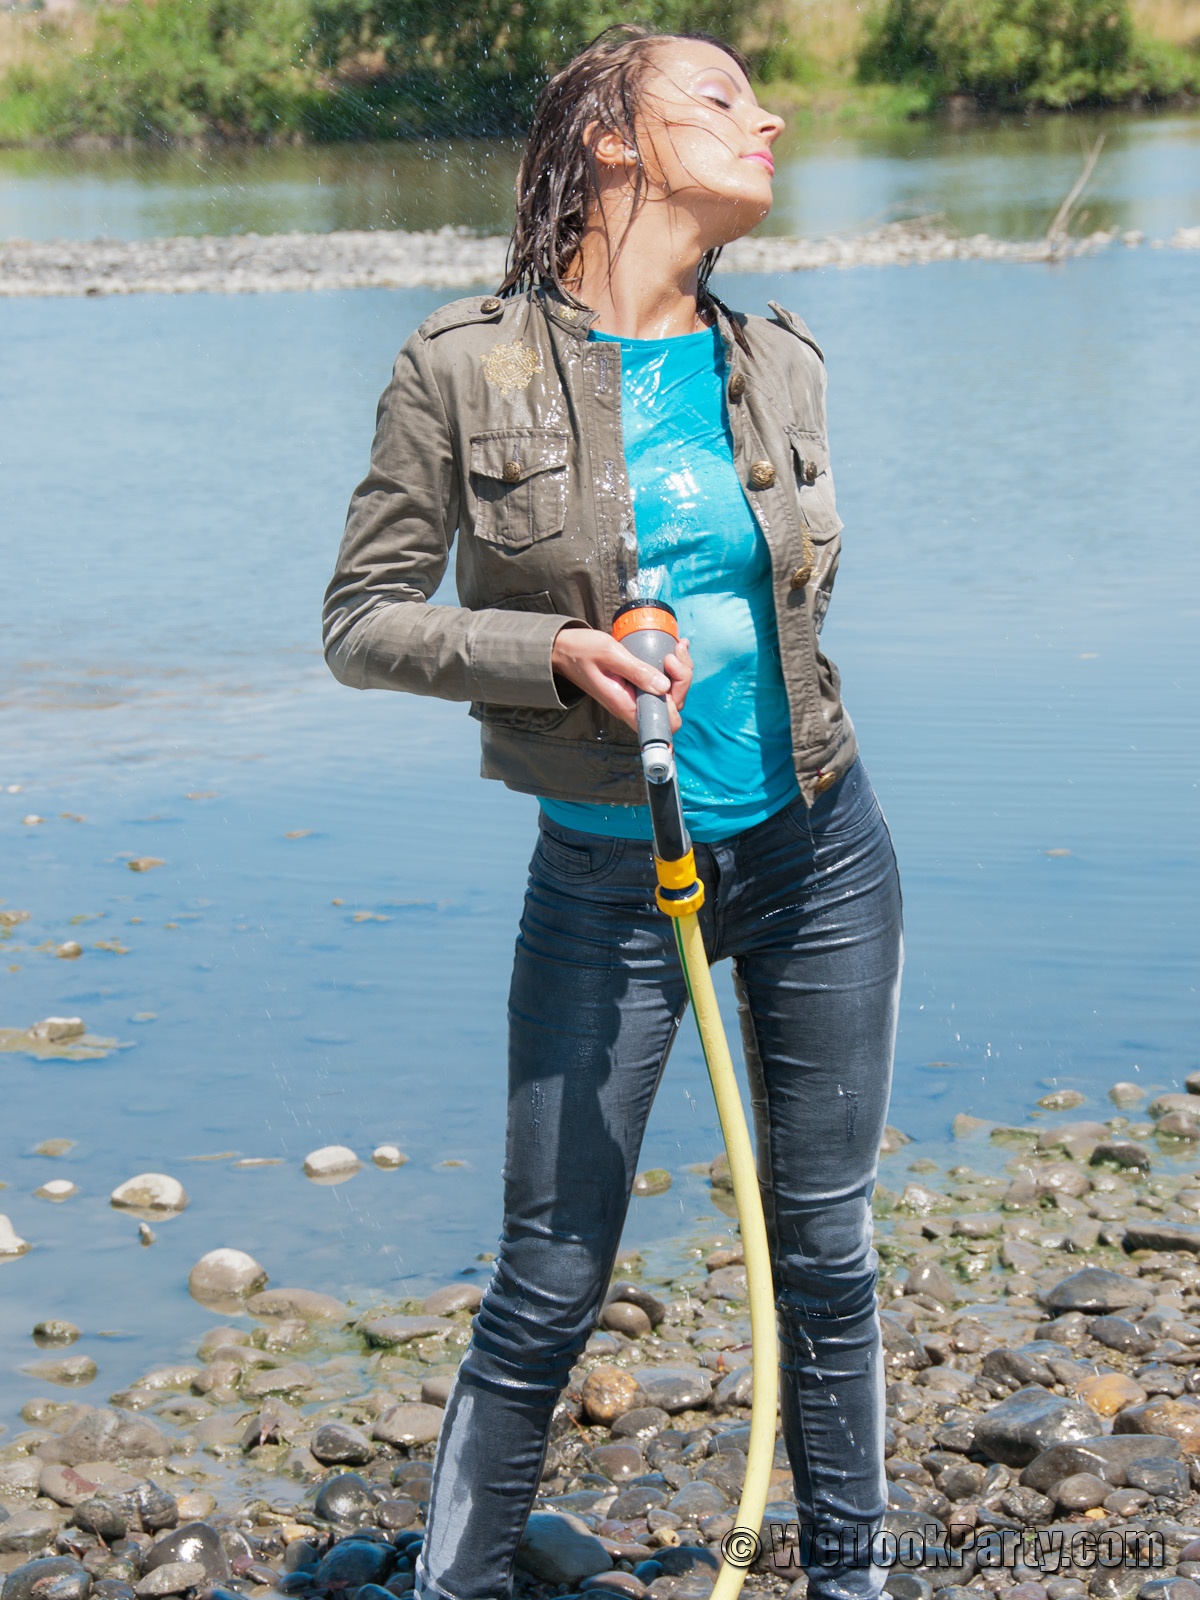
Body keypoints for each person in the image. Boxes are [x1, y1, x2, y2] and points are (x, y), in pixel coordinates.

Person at [323, 22, 903, 1600]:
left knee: (826, 1253)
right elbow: (360, 623)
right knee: (550, 1278)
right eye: (721, 97)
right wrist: (551, 654)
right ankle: (455, 1582)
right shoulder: (464, 368)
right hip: (608, 881)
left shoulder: (779, 360)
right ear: (614, 141)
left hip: (821, 852)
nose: (766, 119)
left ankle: (855, 1580)